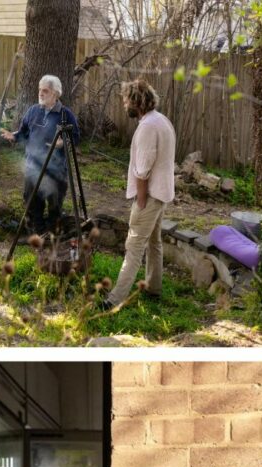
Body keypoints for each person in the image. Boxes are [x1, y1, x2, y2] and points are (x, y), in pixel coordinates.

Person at [102, 80, 176, 311]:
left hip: (151, 196)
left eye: (126, 100)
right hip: (163, 193)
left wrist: (141, 201)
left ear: (136, 101)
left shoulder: (147, 127)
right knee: (154, 242)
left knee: (133, 246)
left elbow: (142, 170)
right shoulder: (161, 120)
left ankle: (114, 300)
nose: (124, 104)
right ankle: (154, 289)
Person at [1, 75, 80, 236]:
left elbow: (76, 138)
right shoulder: (33, 111)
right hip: (32, 167)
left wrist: (63, 142)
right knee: (32, 203)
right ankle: (37, 235)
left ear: (56, 94)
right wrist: (14, 136)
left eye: (45, 91)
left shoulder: (66, 115)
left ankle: (51, 236)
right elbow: (23, 132)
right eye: (40, 90)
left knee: (54, 205)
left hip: (56, 170)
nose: (41, 93)